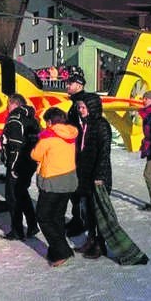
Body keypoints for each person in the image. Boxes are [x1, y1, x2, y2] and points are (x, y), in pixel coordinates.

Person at [30, 107, 78, 267]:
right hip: (69, 180)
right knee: (57, 217)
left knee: (43, 217)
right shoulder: (71, 135)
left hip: (52, 181)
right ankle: (58, 250)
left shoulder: (47, 138)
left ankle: (62, 250)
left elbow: (35, 155)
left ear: (50, 122)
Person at [72, 93, 113, 259]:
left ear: (92, 107)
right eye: (79, 107)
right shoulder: (85, 125)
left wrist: (100, 175)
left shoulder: (101, 125)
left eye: (83, 107)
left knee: (98, 213)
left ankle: (100, 245)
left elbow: (104, 152)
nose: (80, 110)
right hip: (85, 175)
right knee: (87, 211)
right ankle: (91, 239)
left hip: (97, 176)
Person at [0, 94, 41, 241]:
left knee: (12, 196)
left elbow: (15, 146)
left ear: (14, 104)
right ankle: (32, 224)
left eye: (8, 105)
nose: (6, 108)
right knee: (22, 192)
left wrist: (12, 166)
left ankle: (17, 230)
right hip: (30, 161)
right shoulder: (33, 119)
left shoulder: (14, 119)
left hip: (17, 162)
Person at [64, 72, 88, 237]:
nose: (67, 86)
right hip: (74, 152)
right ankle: (76, 218)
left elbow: (82, 130)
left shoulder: (81, 103)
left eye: (69, 84)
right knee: (74, 188)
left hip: (79, 153)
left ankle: (81, 222)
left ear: (78, 86)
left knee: (79, 190)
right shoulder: (73, 103)